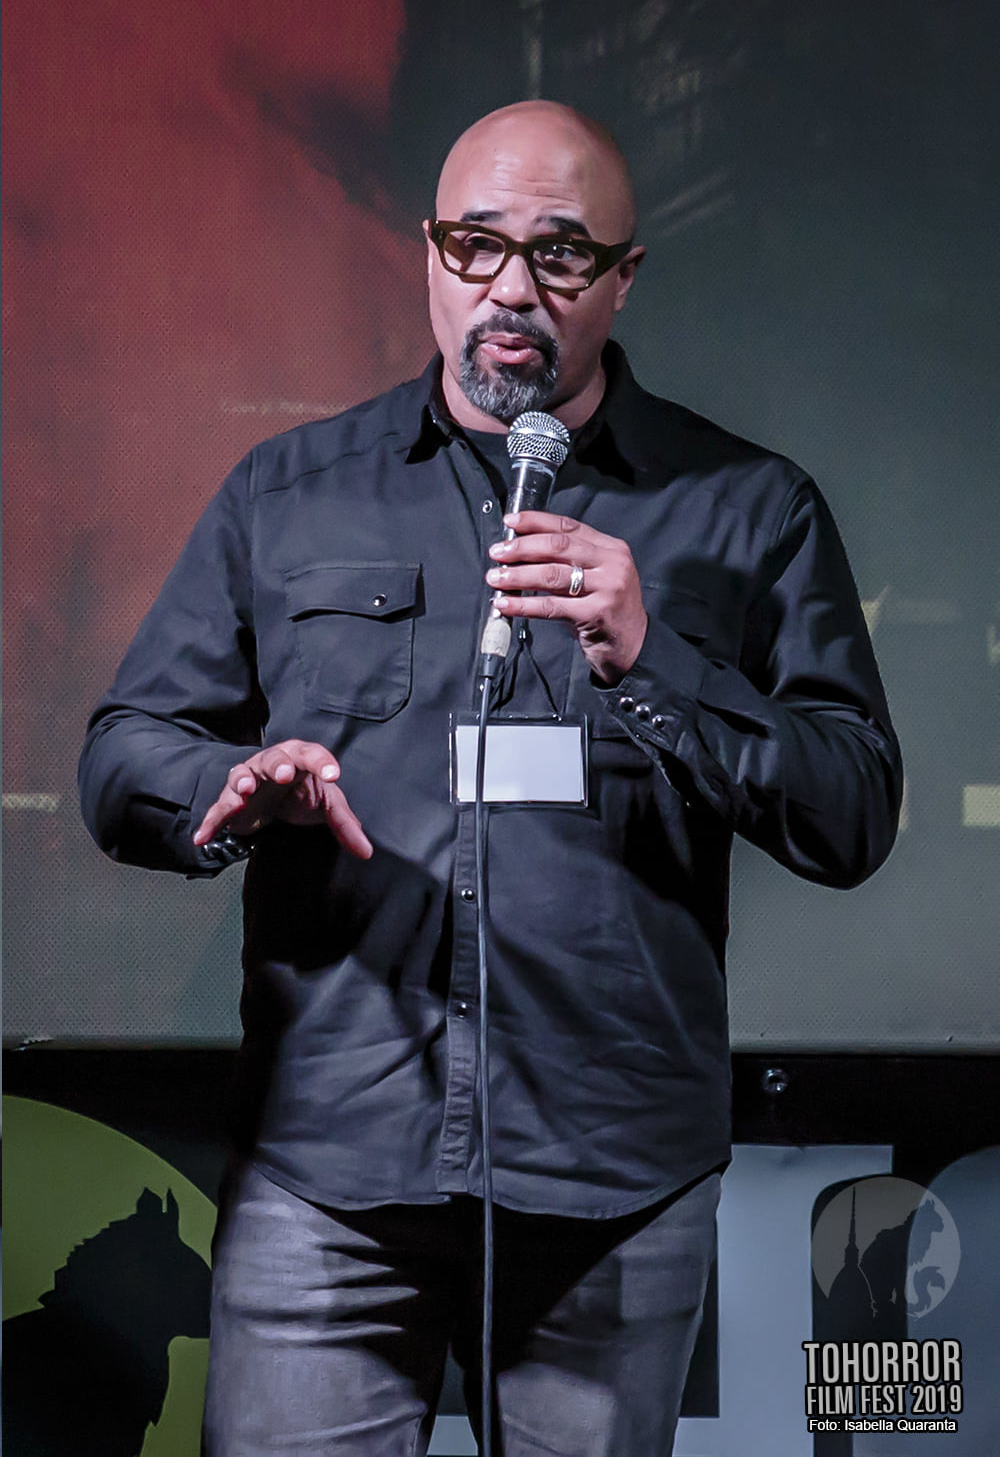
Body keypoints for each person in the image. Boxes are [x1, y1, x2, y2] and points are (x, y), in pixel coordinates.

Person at [79, 100, 902, 1455]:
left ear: (624, 277)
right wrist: (226, 783)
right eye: (477, 244)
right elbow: (123, 753)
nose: (513, 287)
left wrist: (658, 660)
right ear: (430, 255)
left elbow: (853, 808)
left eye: (562, 254)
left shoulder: (749, 508)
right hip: (329, 1169)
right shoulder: (290, 493)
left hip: (613, 1182)